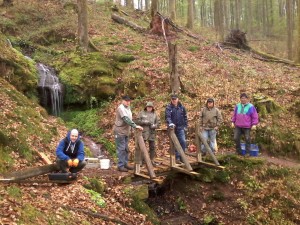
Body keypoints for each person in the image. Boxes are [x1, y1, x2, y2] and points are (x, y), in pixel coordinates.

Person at [113, 95, 143, 172]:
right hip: (119, 131)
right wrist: (135, 126)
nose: (128, 102)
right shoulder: (121, 108)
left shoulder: (128, 108)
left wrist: (133, 128)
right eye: (126, 101)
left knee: (126, 148)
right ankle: (120, 166)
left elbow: (130, 118)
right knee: (121, 148)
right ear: (123, 101)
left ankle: (125, 163)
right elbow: (126, 119)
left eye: (129, 101)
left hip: (126, 131)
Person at [165, 94, 188, 163]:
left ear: (177, 99)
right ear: (171, 100)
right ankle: (177, 158)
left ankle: (182, 157)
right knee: (175, 142)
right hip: (172, 128)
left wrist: (185, 126)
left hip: (181, 127)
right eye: (173, 99)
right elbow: (167, 117)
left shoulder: (181, 107)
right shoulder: (168, 107)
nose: (174, 101)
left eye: (175, 99)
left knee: (183, 141)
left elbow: (185, 117)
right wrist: (170, 123)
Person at [136, 102, 161, 166]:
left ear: (152, 108)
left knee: (152, 147)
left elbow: (158, 123)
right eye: (148, 107)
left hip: (152, 133)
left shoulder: (155, 114)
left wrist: (154, 126)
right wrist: (144, 122)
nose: (149, 108)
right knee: (142, 147)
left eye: (150, 107)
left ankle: (152, 160)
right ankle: (140, 161)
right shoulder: (141, 113)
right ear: (146, 107)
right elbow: (137, 121)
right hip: (143, 133)